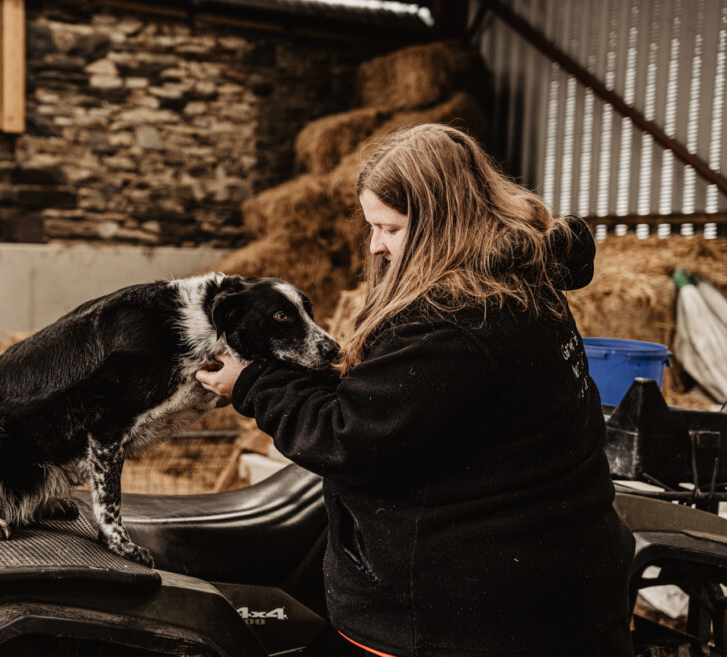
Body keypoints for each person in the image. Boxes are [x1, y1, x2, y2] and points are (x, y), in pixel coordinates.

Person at [196, 124, 635, 657]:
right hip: (560, 588)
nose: (377, 246)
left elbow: (348, 437)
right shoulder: (522, 283)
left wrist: (251, 383)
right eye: (372, 227)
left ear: (441, 223)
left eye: (391, 228)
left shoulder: (457, 322)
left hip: (468, 617)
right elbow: (414, 404)